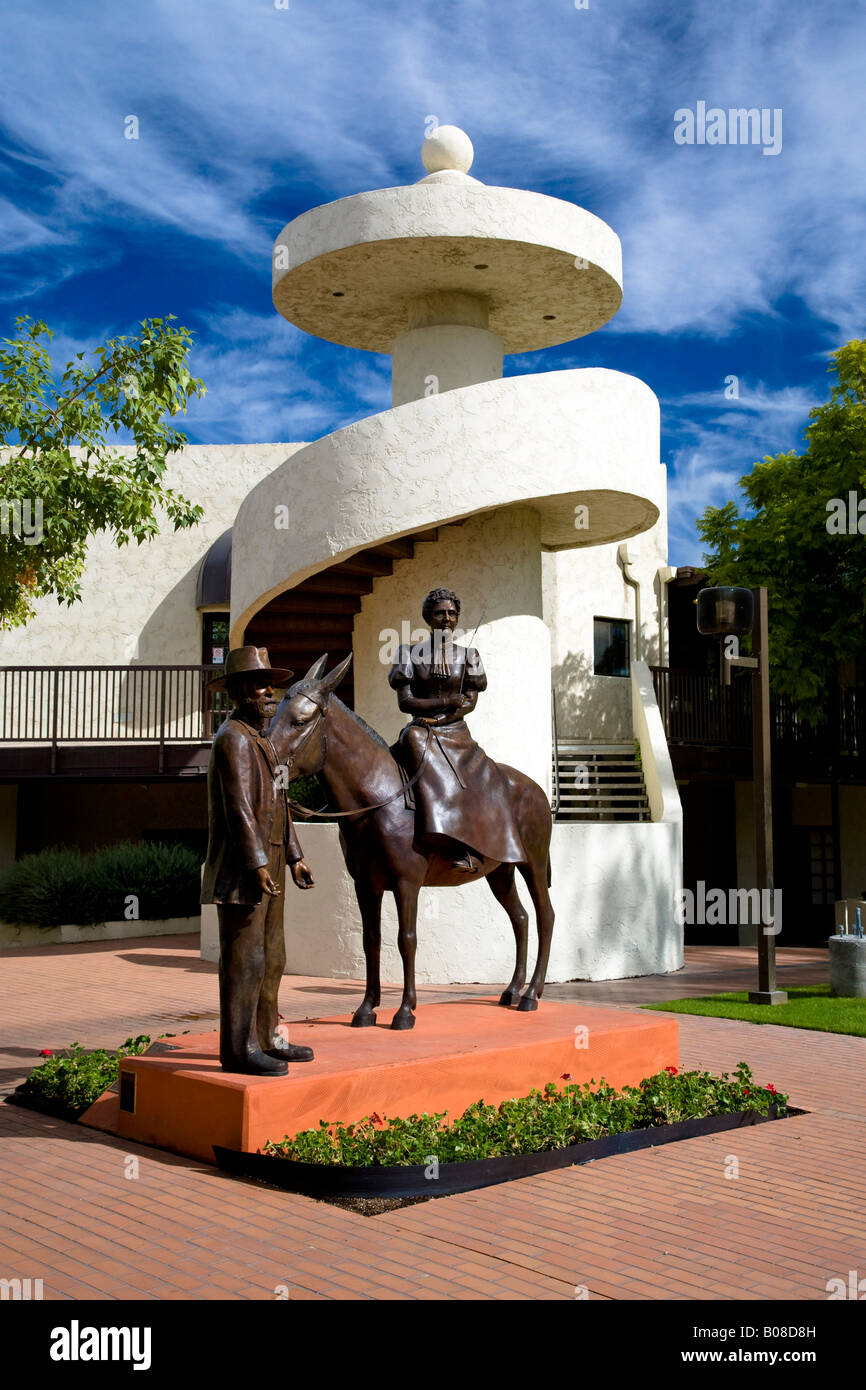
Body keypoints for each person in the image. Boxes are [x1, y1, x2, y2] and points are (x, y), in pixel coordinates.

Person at [201, 646, 315, 1075]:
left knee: (273, 955)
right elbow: (239, 809)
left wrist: (295, 856)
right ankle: (237, 1048)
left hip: (272, 858)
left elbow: (280, 801)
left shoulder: (264, 741)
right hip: (243, 868)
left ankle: (266, 1037)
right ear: (235, 692)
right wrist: (257, 865)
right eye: (257, 685)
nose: (269, 693)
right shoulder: (232, 740)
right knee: (244, 961)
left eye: (269, 685)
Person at [388, 587, 525, 873]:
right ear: (429, 618)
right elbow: (406, 702)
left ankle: (467, 844)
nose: (446, 619)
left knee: (470, 779)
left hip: (455, 731)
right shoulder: (408, 654)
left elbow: (469, 702)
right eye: (440, 613)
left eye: (452, 613)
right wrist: (445, 702)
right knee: (411, 741)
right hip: (420, 730)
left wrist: (441, 718)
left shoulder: (469, 655)